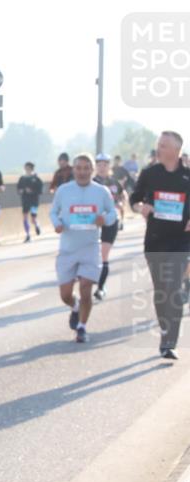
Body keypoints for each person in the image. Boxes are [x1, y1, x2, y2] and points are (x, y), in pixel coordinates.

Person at [129, 131, 190, 360]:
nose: (159, 148)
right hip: (155, 239)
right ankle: (164, 327)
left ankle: (169, 342)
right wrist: (140, 207)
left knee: (173, 289)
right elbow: (134, 198)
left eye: (163, 145)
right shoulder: (149, 173)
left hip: (181, 241)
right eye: (158, 144)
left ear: (176, 150)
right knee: (161, 290)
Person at [50, 154, 116, 343]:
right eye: (79, 168)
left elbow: (112, 212)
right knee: (65, 294)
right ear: (74, 170)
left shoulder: (102, 191)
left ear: (92, 170)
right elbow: (53, 211)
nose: (82, 172)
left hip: (90, 247)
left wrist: (105, 219)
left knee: (86, 288)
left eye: (87, 168)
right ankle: (75, 307)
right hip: (68, 248)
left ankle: (82, 327)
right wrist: (57, 223)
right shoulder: (63, 190)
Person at [93, 153, 126, 300]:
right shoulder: (91, 182)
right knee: (93, 255)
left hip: (111, 222)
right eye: (99, 165)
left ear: (109, 166)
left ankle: (100, 287)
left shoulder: (114, 182)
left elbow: (122, 195)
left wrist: (120, 203)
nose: (102, 167)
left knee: (104, 254)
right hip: (93, 222)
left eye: (105, 165)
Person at [16, 162, 44, 242]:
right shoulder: (22, 178)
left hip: (34, 201)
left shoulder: (36, 179)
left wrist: (32, 191)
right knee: (24, 217)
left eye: (28, 168)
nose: (27, 170)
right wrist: (20, 191)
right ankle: (28, 234)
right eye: (25, 168)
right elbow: (18, 188)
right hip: (25, 200)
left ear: (32, 169)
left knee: (33, 218)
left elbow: (40, 190)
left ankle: (37, 225)